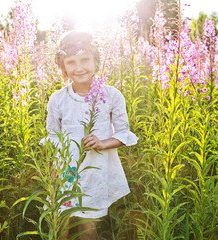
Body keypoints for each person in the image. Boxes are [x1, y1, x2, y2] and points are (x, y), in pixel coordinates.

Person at [45, 30, 138, 239]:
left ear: (96, 60)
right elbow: (51, 135)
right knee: (60, 225)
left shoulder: (112, 95)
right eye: (71, 62)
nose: (79, 68)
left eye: (85, 60)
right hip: (66, 171)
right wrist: (54, 168)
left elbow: (124, 132)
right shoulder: (58, 99)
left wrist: (103, 143)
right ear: (63, 67)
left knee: (88, 231)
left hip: (96, 172)